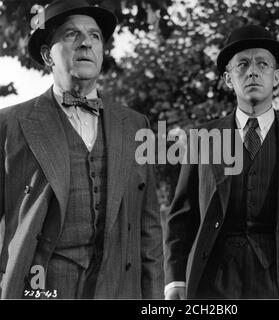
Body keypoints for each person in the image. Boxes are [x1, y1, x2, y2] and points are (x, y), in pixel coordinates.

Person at [163, 24, 279, 299]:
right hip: (214, 283)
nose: (252, 71)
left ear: (277, 76)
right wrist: (174, 279)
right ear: (228, 78)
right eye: (242, 64)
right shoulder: (202, 138)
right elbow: (181, 218)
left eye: (263, 63)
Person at [0, 0, 163, 299]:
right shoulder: (9, 125)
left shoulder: (136, 124)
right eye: (72, 35)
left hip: (118, 290)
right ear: (49, 55)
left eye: (95, 36)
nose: (86, 42)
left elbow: (149, 227)